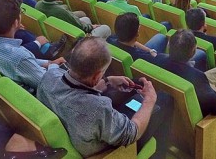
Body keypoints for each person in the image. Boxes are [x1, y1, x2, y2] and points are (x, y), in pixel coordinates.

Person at [37, 36, 173, 158]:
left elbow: (73, 91)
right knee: (165, 99)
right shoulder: (98, 108)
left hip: (81, 130)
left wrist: (107, 81)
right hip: (111, 150)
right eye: (102, 73)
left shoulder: (49, 76)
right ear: (96, 76)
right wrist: (149, 100)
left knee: (133, 87)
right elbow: (132, 133)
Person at [0, 0, 66, 93]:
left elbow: (25, 63)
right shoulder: (19, 57)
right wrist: (54, 66)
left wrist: (48, 63)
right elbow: (48, 84)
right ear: (16, 22)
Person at [35, 0, 111, 38]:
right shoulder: (61, 11)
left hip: (58, 32)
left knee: (86, 19)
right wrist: (92, 27)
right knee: (106, 28)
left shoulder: (38, 4)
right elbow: (79, 26)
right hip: (75, 39)